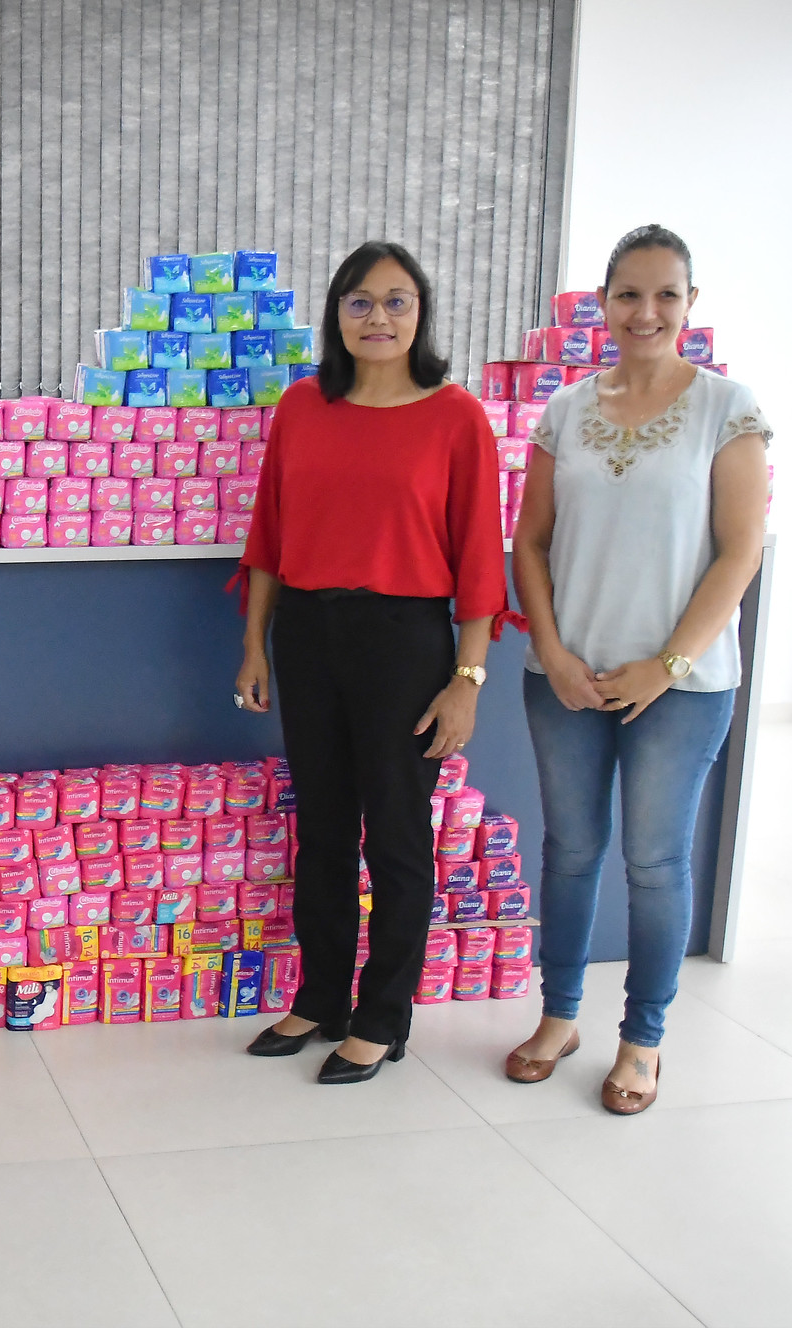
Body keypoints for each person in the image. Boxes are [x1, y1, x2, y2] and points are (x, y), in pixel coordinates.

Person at [503, 226, 768, 1114]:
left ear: (689, 304)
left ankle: (643, 1038)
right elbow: (529, 541)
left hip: (681, 688)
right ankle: (558, 1015)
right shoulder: (564, 410)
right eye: (627, 294)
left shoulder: (726, 409)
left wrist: (667, 663)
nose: (644, 312)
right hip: (567, 677)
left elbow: (739, 554)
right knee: (570, 852)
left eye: (665, 294)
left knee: (654, 863)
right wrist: (548, 648)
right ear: (604, 304)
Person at [234, 240, 505, 1084]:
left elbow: (477, 563)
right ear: (335, 314)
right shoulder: (303, 406)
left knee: (392, 834)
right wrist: (254, 642)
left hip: (405, 641)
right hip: (308, 634)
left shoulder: (455, 416)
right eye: (358, 301)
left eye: (395, 301)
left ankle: (383, 1016)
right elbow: (270, 538)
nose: (377, 317)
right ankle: (320, 997)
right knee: (320, 827)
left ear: (419, 312)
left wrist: (465, 680)